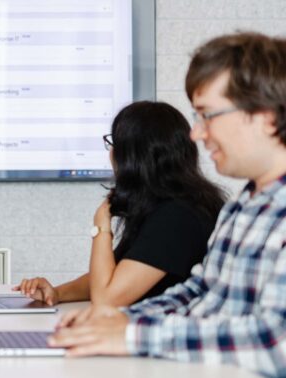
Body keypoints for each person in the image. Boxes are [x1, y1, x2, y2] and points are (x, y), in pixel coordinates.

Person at [49, 32, 286, 377]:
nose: (196, 134)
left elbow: (275, 344)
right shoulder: (242, 208)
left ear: (263, 115)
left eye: (208, 115)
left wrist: (134, 334)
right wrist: (115, 319)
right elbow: (198, 291)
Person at [14, 101, 225, 307]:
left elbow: (106, 298)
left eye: (114, 144)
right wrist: (57, 293)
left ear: (132, 157)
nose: (111, 154)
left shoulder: (178, 216)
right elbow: (112, 275)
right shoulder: (164, 205)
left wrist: (101, 226)